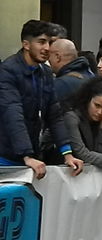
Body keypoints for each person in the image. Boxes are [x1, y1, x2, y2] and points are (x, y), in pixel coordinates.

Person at [0, 19, 83, 178]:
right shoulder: (7, 71)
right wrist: (27, 156)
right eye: (41, 42)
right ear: (26, 44)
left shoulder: (45, 73)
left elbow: (54, 114)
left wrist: (67, 153)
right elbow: (12, 113)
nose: (47, 48)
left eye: (49, 42)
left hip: (31, 157)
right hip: (5, 159)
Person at [64, 77, 102, 178]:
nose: (100, 112)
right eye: (97, 105)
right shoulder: (71, 117)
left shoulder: (97, 122)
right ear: (88, 99)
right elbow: (82, 153)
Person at [48, 38, 94, 104]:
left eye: (49, 55)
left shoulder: (61, 84)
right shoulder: (92, 76)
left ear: (58, 57)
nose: (48, 59)